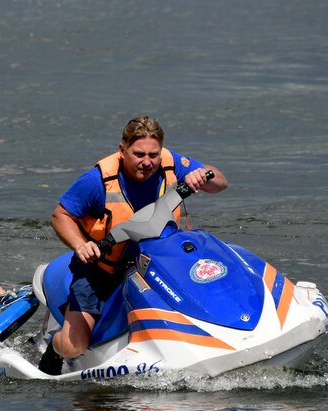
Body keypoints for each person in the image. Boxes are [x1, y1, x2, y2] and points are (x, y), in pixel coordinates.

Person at [39, 115, 229, 374]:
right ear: (123, 150)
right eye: (139, 154)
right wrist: (80, 245)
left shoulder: (171, 163)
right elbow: (60, 216)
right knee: (74, 346)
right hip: (101, 270)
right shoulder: (96, 181)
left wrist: (204, 176)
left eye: (153, 154)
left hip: (158, 262)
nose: (147, 162)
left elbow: (221, 183)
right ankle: (54, 344)